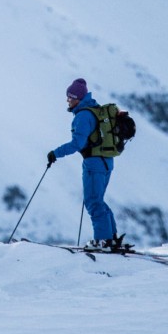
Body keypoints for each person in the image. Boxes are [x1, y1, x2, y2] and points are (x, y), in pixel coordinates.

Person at [47, 77, 121, 250]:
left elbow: (77, 144)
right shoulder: (95, 110)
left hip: (94, 163)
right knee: (98, 201)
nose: (68, 100)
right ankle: (111, 238)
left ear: (78, 98)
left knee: (93, 202)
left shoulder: (83, 116)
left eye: (70, 97)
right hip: (106, 161)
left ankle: (103, 241)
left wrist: (55, 153)